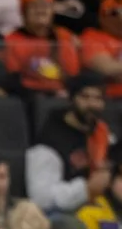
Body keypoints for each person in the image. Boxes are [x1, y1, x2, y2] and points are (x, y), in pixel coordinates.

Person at [29, 75, 111, 213]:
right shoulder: (50, 141)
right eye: (85, 97)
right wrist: (86, 189)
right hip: (63, 216)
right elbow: (41, 198)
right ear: (71, 99)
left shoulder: (102, 132)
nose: (92, 104)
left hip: (102, 210)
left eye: (98, 98)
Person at [2, 0, 83, 100]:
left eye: (45, 6)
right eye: (34, 6)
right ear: (24, 12)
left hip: (64, 97)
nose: (40, 11)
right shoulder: (11, 40)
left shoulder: (64, 36)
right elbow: (13, 78)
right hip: (28, 99)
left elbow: (72, 73)